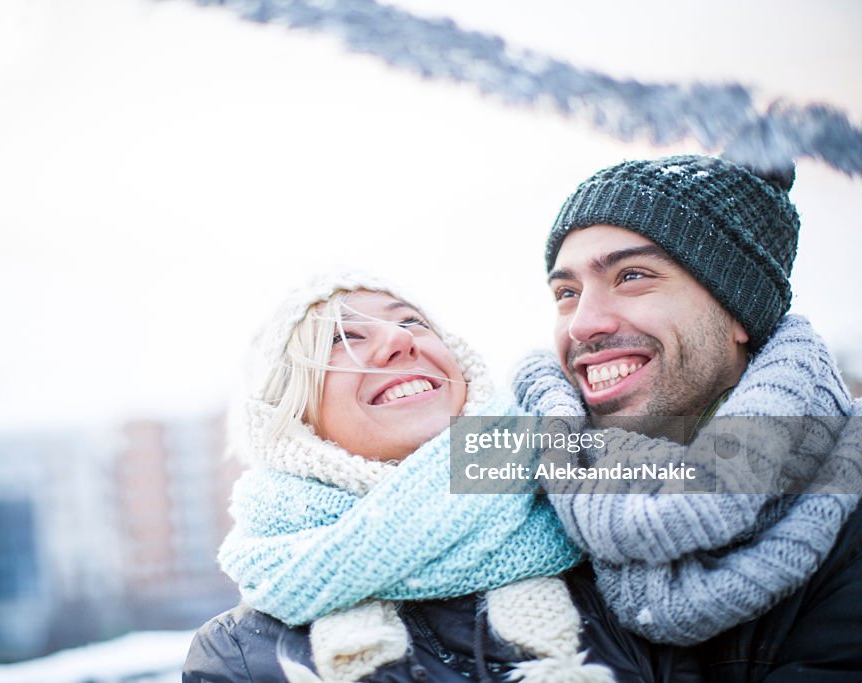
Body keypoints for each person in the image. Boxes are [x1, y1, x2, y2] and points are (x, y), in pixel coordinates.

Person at [183, 273, 697, 682]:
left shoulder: (613, 533)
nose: (397, 340)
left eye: (412, 321)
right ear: (293, 419)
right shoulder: (239, 655)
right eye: (343, 337)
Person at [513, 154, 862, 681]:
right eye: (567, 293)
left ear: (738, 313)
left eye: (632, 276)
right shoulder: (524, 500)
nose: (583, 324)